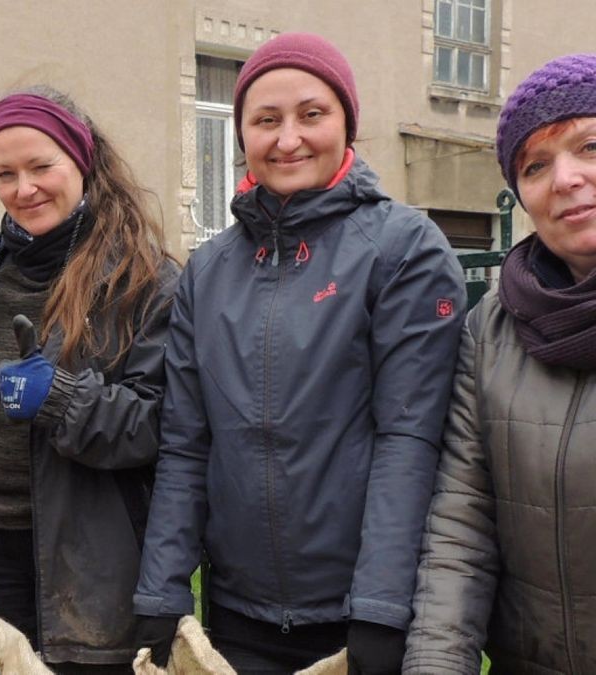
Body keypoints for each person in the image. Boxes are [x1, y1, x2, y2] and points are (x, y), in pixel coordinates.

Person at [133, 33, 466, 674]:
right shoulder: (209, 270)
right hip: (236, 614)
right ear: (243, 136)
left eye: (311, 115)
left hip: (356, 617)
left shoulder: (402, 249)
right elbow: (185, 442)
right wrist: (163, 588)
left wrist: (379, 607)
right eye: (266, 120)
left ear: (346, 123)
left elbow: (409, 438)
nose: (288, 139)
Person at [0, 86, 178, 672]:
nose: (24, 189)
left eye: (40, 166)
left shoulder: (144, 281)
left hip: (92, 567)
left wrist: (63, 399)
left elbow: (165, 425)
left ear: (80, 161)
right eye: (5, 174)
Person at [403, 53, 596, 674]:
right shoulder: (491, 330)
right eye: (535, 165)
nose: (565, 178)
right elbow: (462, 528)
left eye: (589, 146)